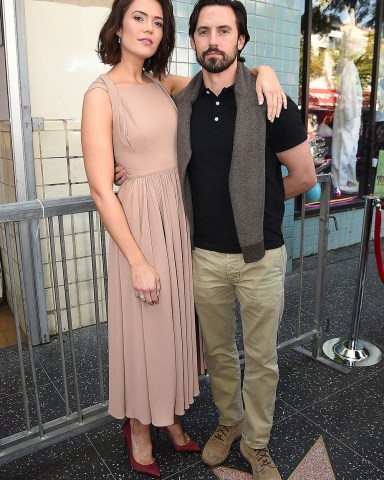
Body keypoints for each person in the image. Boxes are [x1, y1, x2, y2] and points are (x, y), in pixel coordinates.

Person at [82, 0, 286, 478]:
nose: (149, 29)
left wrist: (267, 71)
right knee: (143, 332)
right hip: (139, 229)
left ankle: (169, 418)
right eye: (138, 17)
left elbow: (224, 75)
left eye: (158, 22)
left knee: (174, 330)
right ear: (117, 24)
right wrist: (136, 260)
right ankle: (137, 428)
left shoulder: (163, 85)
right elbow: (98, 186)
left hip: (178, 226)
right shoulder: (100, 93)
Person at [174, 0, 316, 478]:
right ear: (193, 40)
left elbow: (302, 174)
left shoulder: (270, 100)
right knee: (217, 354)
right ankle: (228, 422)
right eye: (203, 31)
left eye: (224, 31)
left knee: (261, 358)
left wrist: (258, 208)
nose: (213, 40)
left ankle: (256, 442)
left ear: (241, 41)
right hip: (205, 257)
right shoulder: (182, 104)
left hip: (260, 256)